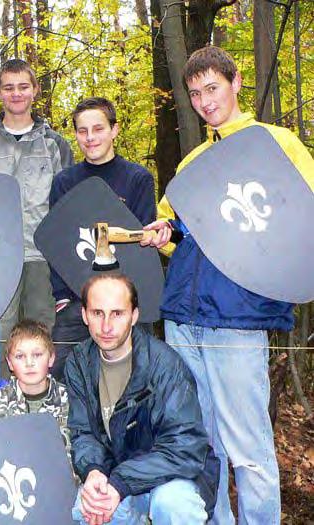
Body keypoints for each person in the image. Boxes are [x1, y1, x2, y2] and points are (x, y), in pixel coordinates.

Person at [141, 46, 314, 524]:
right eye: (195, 93)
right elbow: (177, 230)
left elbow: (302, 221)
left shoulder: (276, 143)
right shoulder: (195, 159)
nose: (204, 101)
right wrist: (164, 234)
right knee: (206, 444)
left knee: (249, 449)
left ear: (236, 83)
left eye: (212, 88)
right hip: (184, 318)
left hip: (237, 319)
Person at [66, 274, 218, 524]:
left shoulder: (165, 365)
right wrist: (93, 471)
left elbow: (185, 447)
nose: (106, 326)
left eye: (117, 313)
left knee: (173, 505)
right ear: (84, 315)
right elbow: (83, 433)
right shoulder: (80, 363)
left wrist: (120, 483)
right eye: (97, 313)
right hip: (117, 476)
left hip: (172, 479)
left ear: (134, 315)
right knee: (87, 508)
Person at [49, 97, 156, 379]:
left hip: (124, 303)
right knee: (63, 375)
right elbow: (57, 243)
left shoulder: (138, 179)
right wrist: (62, 297)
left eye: (98, 129)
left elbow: (142, 243)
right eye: (82, 131)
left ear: (114, 130)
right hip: (75, 299)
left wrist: (130, 303)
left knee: (133, 380)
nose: (90, 137)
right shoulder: (64, 182)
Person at [0, 59, 74, 376]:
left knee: (40, 336)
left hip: (41, 256)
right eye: (8, 87)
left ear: (35, 90)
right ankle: (3, 409)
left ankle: (42, 410)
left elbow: (66, 205)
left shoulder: (55, 144)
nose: (16, 94)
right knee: (0, 339)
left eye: (23, 86)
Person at [0, 319, 71, 457]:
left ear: (51, 358)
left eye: (37, 355)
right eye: (20, 356)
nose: (29, 363)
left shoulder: (69, 399)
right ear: (10, 363)